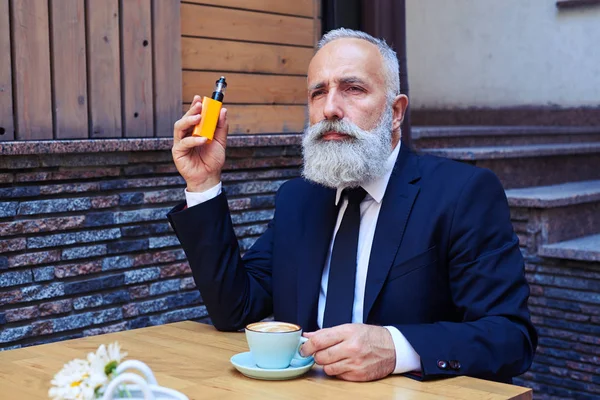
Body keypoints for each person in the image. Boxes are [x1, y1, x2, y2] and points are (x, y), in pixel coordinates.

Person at [167, 28, 537, 383]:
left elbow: (510, 337)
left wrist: (397, 347)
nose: (330, 108)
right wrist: (203, 184)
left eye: (352, 89)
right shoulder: (299, 198)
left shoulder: (461, 194)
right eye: (318, 92)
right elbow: (237, 309)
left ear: (396, 112)